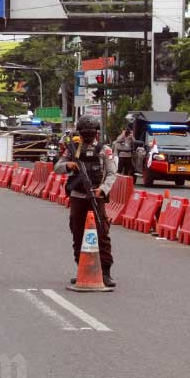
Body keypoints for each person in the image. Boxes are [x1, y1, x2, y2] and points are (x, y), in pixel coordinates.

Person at [55, 115, 117, 288]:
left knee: (102, 234)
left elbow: (112, 173)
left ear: (96, 133)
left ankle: (105, 272)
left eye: (91, 132)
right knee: (78, 233)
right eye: (85, 132)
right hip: (78, 197)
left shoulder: (104, 150)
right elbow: (57, 168)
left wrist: (102, 189)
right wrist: (69, 166)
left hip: (97, 197)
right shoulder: (72, 149)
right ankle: (81, 269)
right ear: (80, 133)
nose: (89, 136)